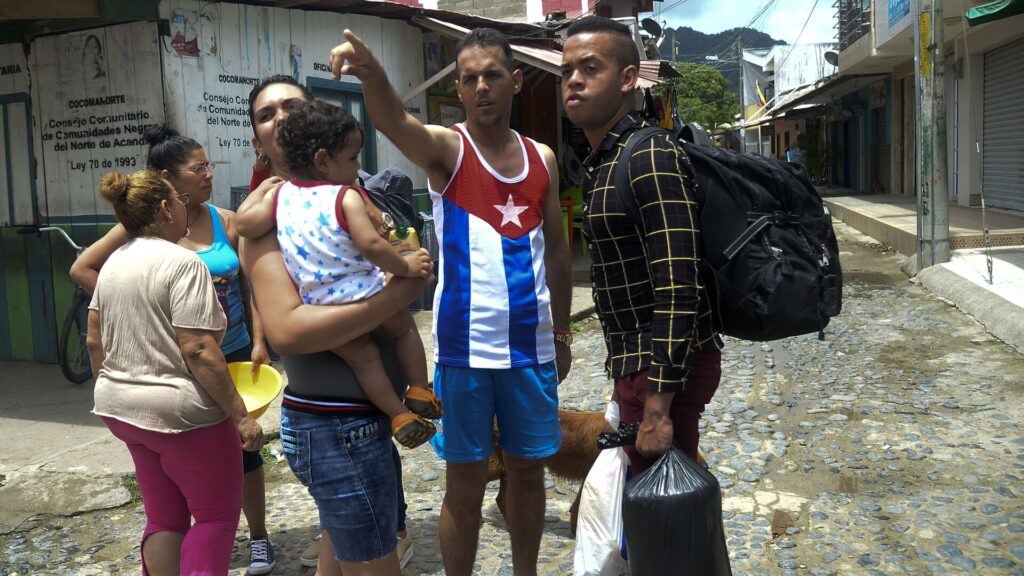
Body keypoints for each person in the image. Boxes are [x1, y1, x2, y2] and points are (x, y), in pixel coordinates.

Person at [328, 27, 573, 576]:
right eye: (469, 79)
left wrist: (561, 333)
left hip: (531, 353)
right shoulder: (449, 149)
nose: (481, 86)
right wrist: (371, 72)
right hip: (465, 353)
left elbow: (557, 252)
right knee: (463, 486)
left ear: (516, 79)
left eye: (492, 74)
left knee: (529, 476)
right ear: (459, 91)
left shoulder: (544, 160)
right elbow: (395, 122)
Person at [70, 126, 278, 574]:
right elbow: (201, 350)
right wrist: (240, 415)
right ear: (166, 208)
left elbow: (94, 337)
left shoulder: (116, 263)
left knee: (165, 518)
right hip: (178, 410)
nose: (189, 208)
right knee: (217, 517)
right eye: (181, 202)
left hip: (119, 406)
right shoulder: (182, 264)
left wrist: (116, 382)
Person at [242, 74, 418, 573]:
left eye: (292, 107)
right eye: (266, 114)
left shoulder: (346, 193)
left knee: (338, 552)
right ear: (258, 143)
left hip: (364, 421)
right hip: (335, 423)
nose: (281, 118)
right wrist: (399, 295)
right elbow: (289, 332)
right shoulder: (270, 218)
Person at [560, 17, 723, 475]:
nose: (573, 79)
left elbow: (678, 285)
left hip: (663, 367)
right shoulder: (606, 160)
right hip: (638, 364)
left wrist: (657, 404)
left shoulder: (649, 154)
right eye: (566, 70)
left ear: (629, 78)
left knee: (665, 511)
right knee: (654, 507)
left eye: (590, 67)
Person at [236, 99, 439, 449]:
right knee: (403, 328)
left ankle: (397, 414)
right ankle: (419, 389)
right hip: (364, 291)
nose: (358, 166)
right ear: (323, 161)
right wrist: (404, 266)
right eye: (353, 158)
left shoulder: (281, 195)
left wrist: (260, 197)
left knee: (364, 358)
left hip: (317, 304)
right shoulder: (344, 197)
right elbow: (372, 246)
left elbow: (245, 224)